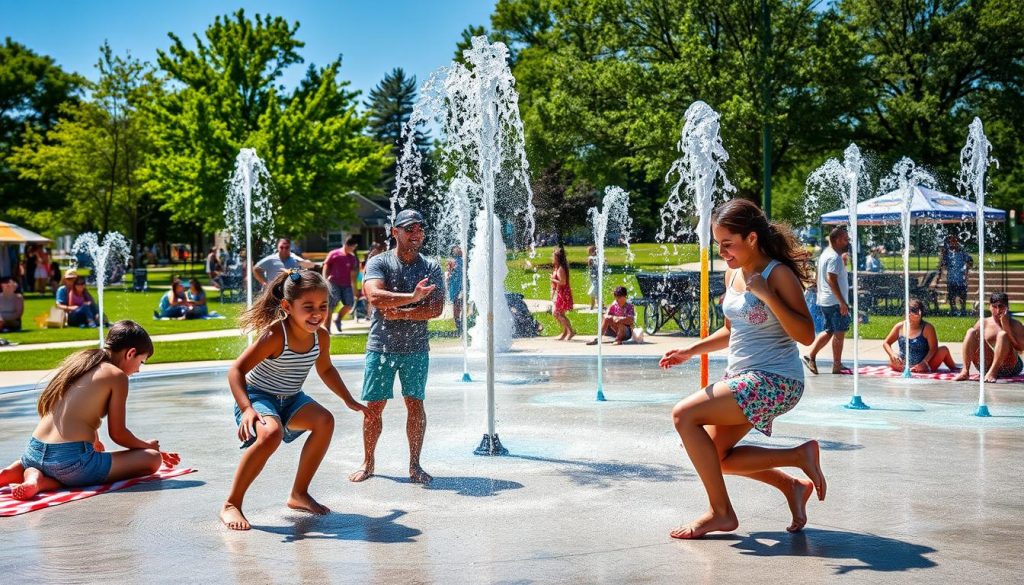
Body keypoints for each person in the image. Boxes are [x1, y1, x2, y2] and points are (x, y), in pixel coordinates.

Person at [659, 198, 823, 539]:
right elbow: (733, 330)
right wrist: (690, 350)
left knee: (683, 416)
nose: (722, 251)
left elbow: (806, 335)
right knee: (717, 458)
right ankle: (794, 479)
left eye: (727, 243)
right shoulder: (735, 272)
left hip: (776, 380)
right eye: (719, 244)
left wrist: (768, 296)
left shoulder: (776, 274)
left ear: (751, 238)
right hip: (744, 378)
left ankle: (721, 513)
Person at [220, 269, 371, 531]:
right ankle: (231, 504)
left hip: (291, 399)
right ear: (287, 306)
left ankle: (299, 494)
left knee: (325, 420)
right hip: (258, 397)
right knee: (271, 434)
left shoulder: (320, 336)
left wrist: (348, 400)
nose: (317, 313)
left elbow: (325, 369)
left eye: (323, 306)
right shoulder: (275, 335)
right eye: (308, 307)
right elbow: (236, 371)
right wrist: (246, 409)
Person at [0, 321, 178, 500]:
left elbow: (74, 410)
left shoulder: (82, 362)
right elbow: (118, 434)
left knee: (45, 465)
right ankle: (44, 482)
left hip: (33, 452)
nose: (138, 369)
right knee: (152, 459)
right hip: (70, 463)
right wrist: (148, 446)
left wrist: (93, 438)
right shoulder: (117, 376)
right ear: (130, 353)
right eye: (141, 362)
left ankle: (28, 475)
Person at [348, 209, 444, 486]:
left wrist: (401, 311)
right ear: (395, 232)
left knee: (415, 404)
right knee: (374, 407)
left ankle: (414, 465)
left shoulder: (430, 266)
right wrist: (413, 298)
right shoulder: (379, 262)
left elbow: (436, 308)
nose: (417, 234)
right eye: (410, 229)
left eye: (420, 229)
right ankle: (368, 462)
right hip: (381, 347)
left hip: (416, 348)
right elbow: (375, 296)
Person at [802, 226, 851, 375]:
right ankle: (836, 365)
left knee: (829, 330)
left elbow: (819, 277)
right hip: (834, 301)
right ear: (836, 240)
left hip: (825, 300)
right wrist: (842, 301)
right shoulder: (834, 257)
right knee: (839, 332)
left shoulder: (824, 255)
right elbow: (831, 279)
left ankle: (810, 356)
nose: (847, 241)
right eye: (845, 239)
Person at [953, 292, 1024, 382]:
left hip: (1010, 366)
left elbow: (1020, 349)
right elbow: (972, 343)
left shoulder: (1015, 324)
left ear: (1007, 307)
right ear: (989, 307)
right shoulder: (983, 323)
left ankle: (993, 372)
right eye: (994, 306)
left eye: (1001, 306)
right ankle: (965, 371)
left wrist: (1007, 328)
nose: (998, 310)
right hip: (987, 364)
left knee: (1002, 335)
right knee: (971, 332)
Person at [882, 298, 955, 373]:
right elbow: (886, 343)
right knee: (891, 360)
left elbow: (933, 348)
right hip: (903, 365)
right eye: (911, 311)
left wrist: (924, 362)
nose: (914, 314)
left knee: (943, 350)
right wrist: (892, 354)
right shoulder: (900, 326)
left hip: (925, 364)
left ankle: (955, 369)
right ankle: (908, 369)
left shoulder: (927, 328)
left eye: (916, 311)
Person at [322, 236, 360, 334]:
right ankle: (327, 327)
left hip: (346, 285)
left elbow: (352, 275)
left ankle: (338, 319)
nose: (353, 249)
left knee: (349, 304)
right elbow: (326, 266)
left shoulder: (352, 258)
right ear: (347, 245)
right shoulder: (334, 254)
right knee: (331, 304)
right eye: (352, 247)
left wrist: (354, 288)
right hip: (333, 283)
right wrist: (325, 280)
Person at [938, 235, 973, 315]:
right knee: (951, 297)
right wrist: (943, 255)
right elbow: (943, 264)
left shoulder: (962, 253)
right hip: (951, 279)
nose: (953, 243)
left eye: (955, 241)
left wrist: (967, 267)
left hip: (961, 279)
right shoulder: (947, 254)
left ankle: (963, 310)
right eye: (951, 242)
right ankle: (953, 310)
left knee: (962, 296)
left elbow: (970, 261)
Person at [550, 246, 576, 341]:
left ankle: (570, 331)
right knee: (560, 313)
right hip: (558, 292)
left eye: (553, 257)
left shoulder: (561, 268)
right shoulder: (557, 268)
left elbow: (563, 282)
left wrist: (552, 279)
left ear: (557, 258)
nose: (552, 258)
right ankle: (565, 332)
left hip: (562, 293)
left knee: (556, 313)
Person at [445, 245, 464, 335]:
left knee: (462, 303)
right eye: (456, 249)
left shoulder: (465, 260)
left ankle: (462, 324)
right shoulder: (451, 261)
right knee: (457, 304)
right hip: (455, 285)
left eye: (459, 249)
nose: (459, 250)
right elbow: (448, 274)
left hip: (463, 285)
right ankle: (459, 325)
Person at [586, 245, 599, 310]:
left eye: (590, 251)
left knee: (595, 292)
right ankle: (594, 305)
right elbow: (589, 265)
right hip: (593, 278)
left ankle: (598, 305)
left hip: (596, 278)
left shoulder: (595, 258)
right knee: (595, 291)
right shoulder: (592, 258)